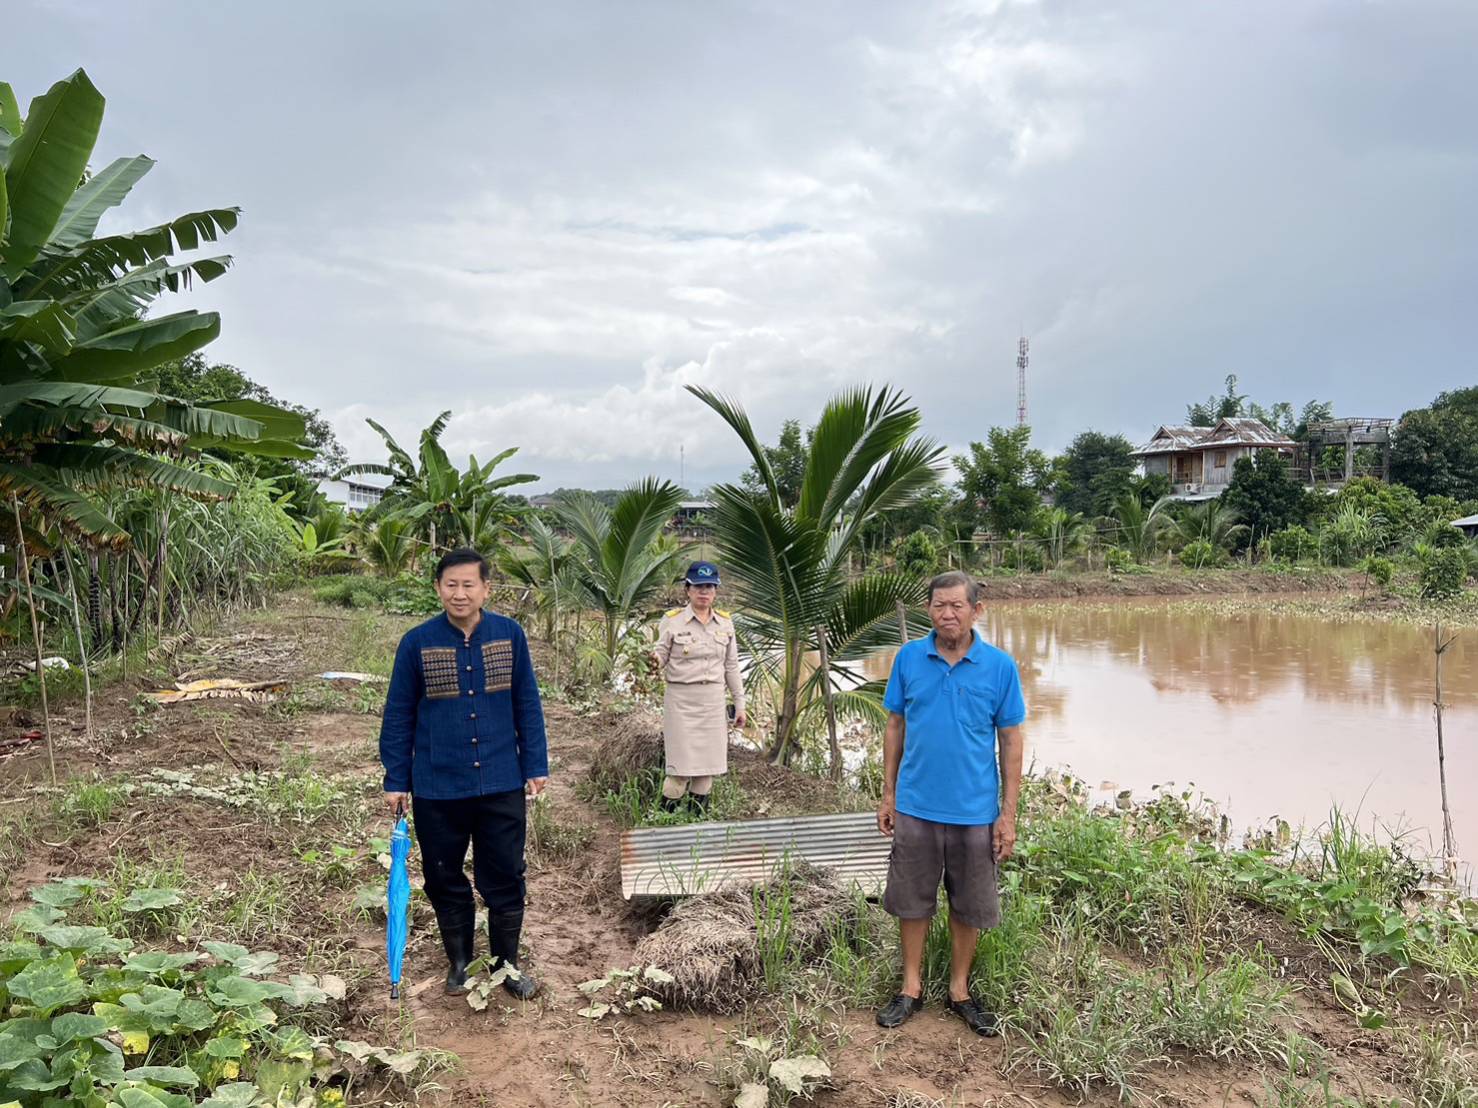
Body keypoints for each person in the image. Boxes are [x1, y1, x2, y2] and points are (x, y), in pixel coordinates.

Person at [380, 547, 548, 999]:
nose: (459, 593)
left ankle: (506, 963)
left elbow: (526, 704)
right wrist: (396, 779)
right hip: (438, 784)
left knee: (506, 874)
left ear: (485, 588)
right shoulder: (417, 643)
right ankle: (458, 962)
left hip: (501, 780)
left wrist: (535, 765)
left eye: (468, 584)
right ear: (438, 588)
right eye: (450, 584)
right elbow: (398, 714)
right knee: (442, 874)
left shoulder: (509, 635)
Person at [874, 570, 1026, 1036]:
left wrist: (1007, 814)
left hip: (975, 812)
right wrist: (889, 793)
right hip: (916, 807)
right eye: (939, 605)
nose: (947, 614)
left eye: (957, 605)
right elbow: (896, 726)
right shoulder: (908, 658)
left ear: (976, 610)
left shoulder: (1000, 667)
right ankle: (911, 988)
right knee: (912, 902)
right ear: (929, 610)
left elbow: (1011, 740)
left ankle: (959, 990)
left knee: (969, 906)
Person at [649, 561, 746, 816]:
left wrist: (740, 705)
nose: (704, 592)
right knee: (679, 772)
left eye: (710, 587)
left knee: (706, 769)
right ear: (688, 590)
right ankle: (665, 822)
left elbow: (732, 666)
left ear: (715, 591)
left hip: (713, 702)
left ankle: (695, 824)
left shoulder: (725, 623)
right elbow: (661, 653)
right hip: (681, 702)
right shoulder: (672, 621)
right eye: (699, 587)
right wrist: (653, 661)